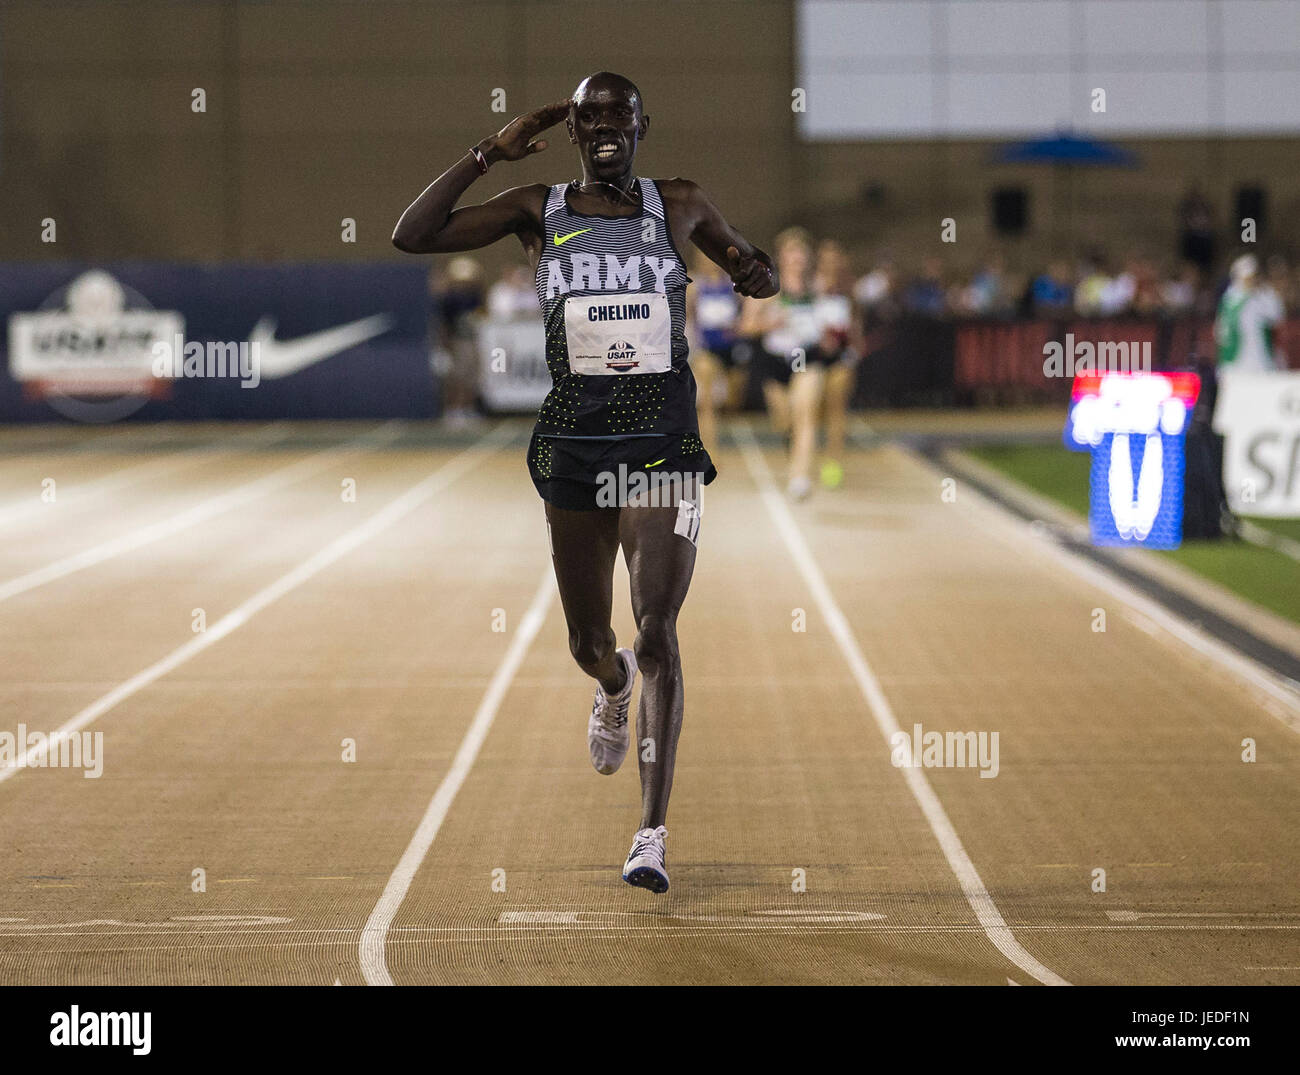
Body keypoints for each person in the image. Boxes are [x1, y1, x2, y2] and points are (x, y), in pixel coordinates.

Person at [392, 72, 779, 893]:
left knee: (659, 627)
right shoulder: (539, 209)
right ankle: (611, 687)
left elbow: (754, 265)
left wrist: (755, 272)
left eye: (618, 114)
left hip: (661, 446)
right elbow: (412, 234)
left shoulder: (679, 204)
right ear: (572, 129)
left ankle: (651, 832)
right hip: (576, 447)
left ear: (642, 124)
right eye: (589, 115)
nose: (605, 126)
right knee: (590, 643)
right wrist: (487, 152)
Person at [685, 248, 744, 457]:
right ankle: (710, 452)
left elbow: (743, 316)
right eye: (705, 259)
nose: (710, 263)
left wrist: (737, 327)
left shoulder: (734, 285)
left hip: (732, 350)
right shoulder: (694, 285)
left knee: (733, 400)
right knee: (707, 400)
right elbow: (688, 318)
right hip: (706, 349)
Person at [1215, 254, 1284, 372]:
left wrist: (1260, 295)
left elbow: (1276, 317)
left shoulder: (1264, 294)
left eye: (1251, 277)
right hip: (1236, 356)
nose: (1249, 281)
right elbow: (1221, 328)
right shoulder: (1230, 298)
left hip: (1260, 355)